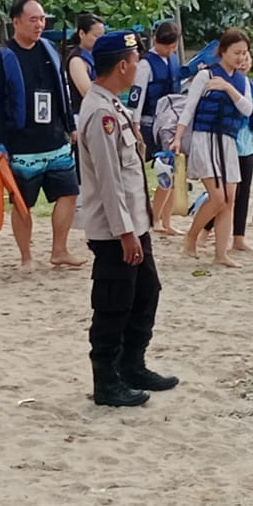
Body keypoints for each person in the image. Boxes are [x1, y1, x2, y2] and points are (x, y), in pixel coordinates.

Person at [75, 30, 177, 407]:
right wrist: (125, 234)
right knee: (114, 302)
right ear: (122, 65)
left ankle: (133, 365)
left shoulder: (113, 105)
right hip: (117, 231)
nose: (138, 67)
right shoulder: (100, 111)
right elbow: (109, 181)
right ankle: (107, 380)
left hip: (136, 223)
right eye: (134, 61)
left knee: (146, 292)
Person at [0, 0, 84, 270]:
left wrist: (70, 127)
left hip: (55, 139)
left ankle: (59, 250)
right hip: (22, 143)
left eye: (42, 19)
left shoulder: (49, 49)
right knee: (22, 203)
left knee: (69, 193)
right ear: (16, 22)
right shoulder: (2, 57)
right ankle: (26, 256)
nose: (39, 24)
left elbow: (62, 91)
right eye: (33, 19)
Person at [174, 29, 253, 268]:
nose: (241, 58)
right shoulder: (205, 75)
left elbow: (247, 109)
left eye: (244, 53)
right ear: (223, 51)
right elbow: (188, 109)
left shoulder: (243, 82)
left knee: (230, 199)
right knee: (218, 197)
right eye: (236, 52)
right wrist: (178, 137)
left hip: (228, 142)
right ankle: (191, 237)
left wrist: (228, 88)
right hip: (205, 138)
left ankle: (221, 254)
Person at [130, 22, 184, 234]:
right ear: (156, 42)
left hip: (170, 122)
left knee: (174, 171)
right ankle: (155, 218)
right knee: (165, 171)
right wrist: (135, 125)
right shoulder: (145, 65)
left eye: (172, 47)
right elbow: (137, 95)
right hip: (149, 123)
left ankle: (166, 220)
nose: (169, 51)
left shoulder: (173, 60)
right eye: (165, 47)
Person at [229, 51, 253, 252]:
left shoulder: (250, 86)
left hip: (245, 148)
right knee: (225, 196)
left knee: (243, 194)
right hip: (227, 146)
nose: (243, 63)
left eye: (247, 59)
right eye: (240, 58)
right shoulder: (228, 84)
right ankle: (202, 232)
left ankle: (238, 237)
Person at [64, 13, 105, 118]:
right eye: (96, 36)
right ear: (82, 34)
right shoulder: (77, 59)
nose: (100, 40)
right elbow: (87, 92)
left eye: (102, 36)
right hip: (84, 116)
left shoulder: (98, 55)